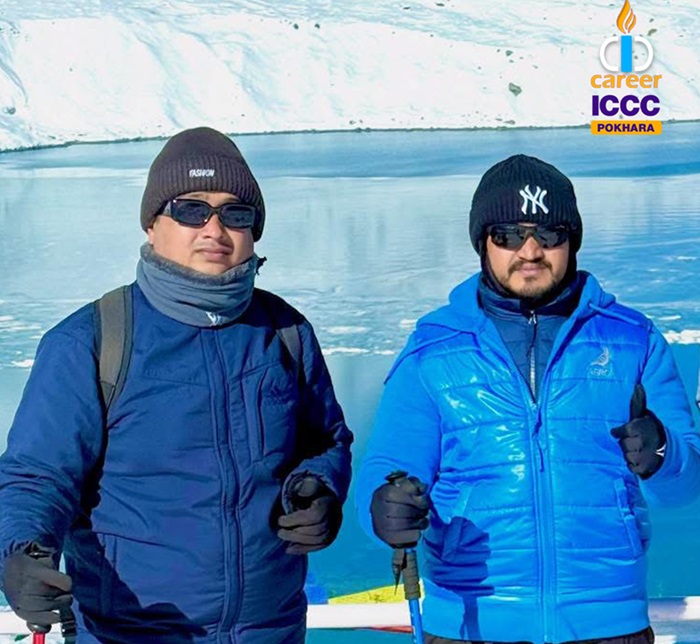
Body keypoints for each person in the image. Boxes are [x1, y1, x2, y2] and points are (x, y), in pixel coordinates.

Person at [0, 126, 353, 643]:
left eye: (236, 214)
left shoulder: (286, 332)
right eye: (191, 210)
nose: (215, 229)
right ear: (152, 224)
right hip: (133, 632)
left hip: (271, 629)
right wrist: (21, 554)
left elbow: (326, 440)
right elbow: (37, 475)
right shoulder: (94, 341)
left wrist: (319, 488)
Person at [355, 154, 700, 644]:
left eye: (550, 234)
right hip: (469, 623)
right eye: (509, 235)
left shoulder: (633, 340)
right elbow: (386, 471)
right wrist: (384, 511)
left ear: (572, 240)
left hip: (607, 623)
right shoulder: (433, 351)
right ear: (483, 242)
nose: (531, 251)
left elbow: (684, 488)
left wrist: (662, 452)